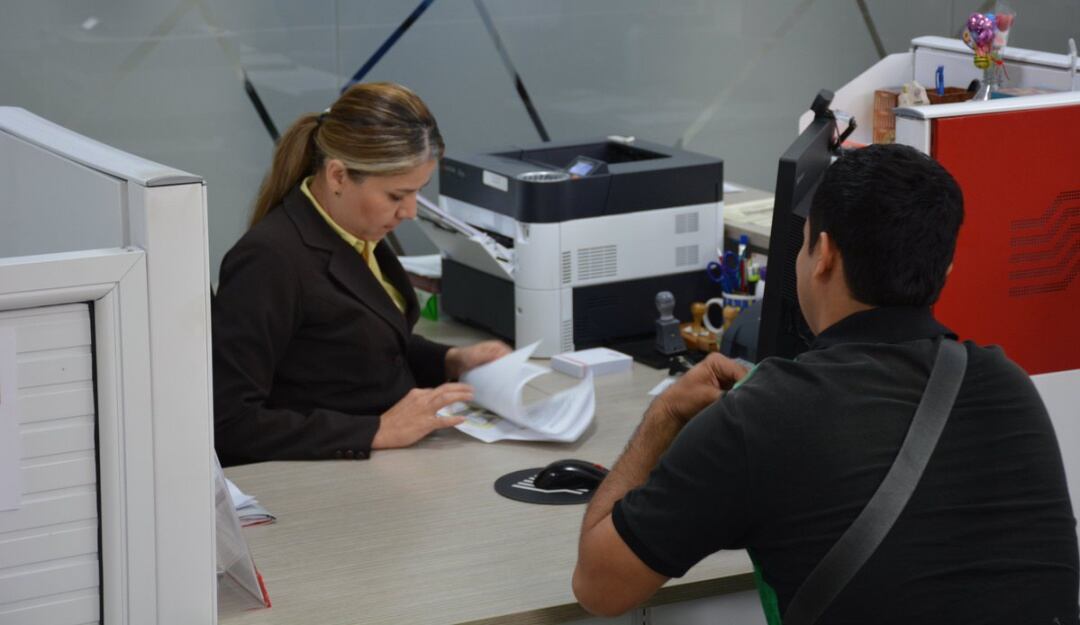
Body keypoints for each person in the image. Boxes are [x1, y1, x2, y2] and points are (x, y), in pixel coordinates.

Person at [573, 144, 1079, 623]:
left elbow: (600, 586)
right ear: (946, 269)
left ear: (824, 255)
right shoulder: (1007, 384)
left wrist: (664, 416)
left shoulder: (764, 416)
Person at [213, 82, 510, 466]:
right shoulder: (268, 260)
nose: (410, 212)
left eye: (417, 192)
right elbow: (231, 423)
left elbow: (358, 345)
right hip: (325, 472)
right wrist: (375, 431)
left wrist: (451, 359)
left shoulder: (354, 231)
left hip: (393, 460)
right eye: (396, 195)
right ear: (338, 176)